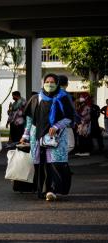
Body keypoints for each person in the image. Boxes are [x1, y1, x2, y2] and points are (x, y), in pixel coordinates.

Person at [20, 73, 75, 201]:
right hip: (37, 136)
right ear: (43, 83)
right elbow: (29, 118)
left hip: (56, 137)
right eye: (47, 81)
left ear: (57, 84)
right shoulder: (35, 99)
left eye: (52, 82)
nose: (49, 84)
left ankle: (51, 190)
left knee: (54, 164)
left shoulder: (63, 98)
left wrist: (56, 126)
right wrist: (25, 135)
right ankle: (41, 190)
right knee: (39, 164)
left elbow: (69, 117)